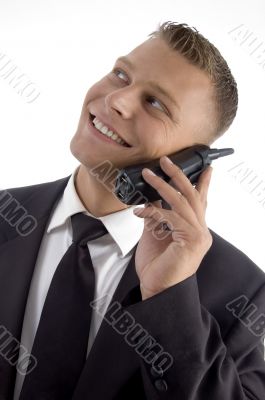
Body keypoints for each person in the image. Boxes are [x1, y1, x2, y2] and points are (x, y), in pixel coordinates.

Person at [0, 21, 264, 400]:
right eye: (121, 75)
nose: (117, 101)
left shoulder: (239, 289)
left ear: (190, 161)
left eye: (155, 103)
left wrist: (170, 297)